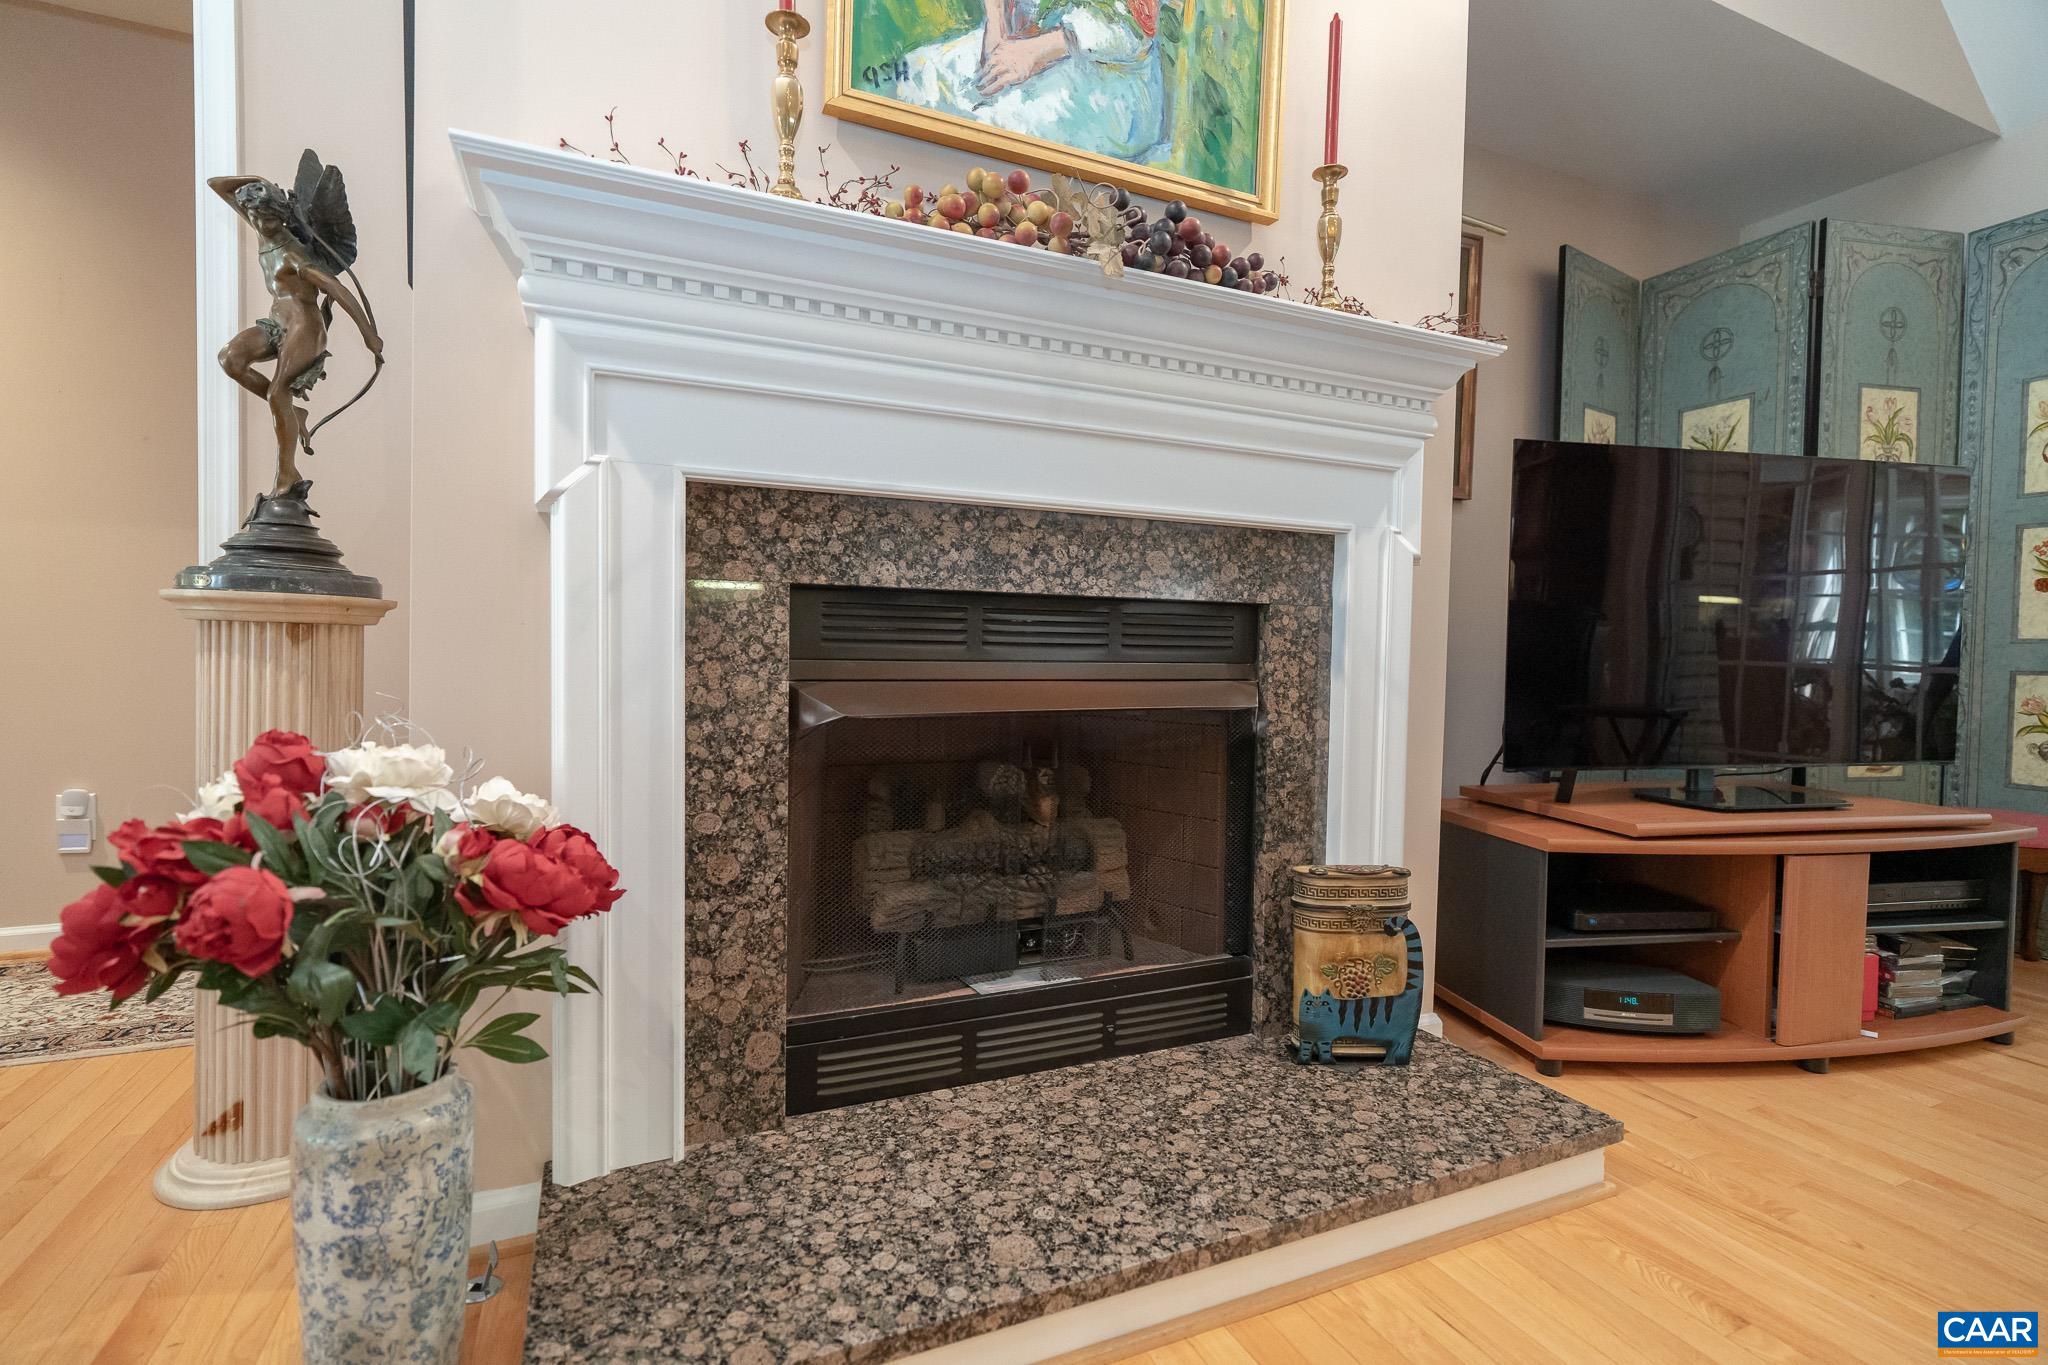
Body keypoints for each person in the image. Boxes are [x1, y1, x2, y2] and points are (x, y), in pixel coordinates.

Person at [210, 172, 381, 496]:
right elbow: (217, 185)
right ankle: (294, 412)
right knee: (230, 359)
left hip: (305, 325)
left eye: (268, 220)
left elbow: (336, 288)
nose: (261, 225)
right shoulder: (263, 229)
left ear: (281, 217)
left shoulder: (294, 255)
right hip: (275, 323)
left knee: (278, 394)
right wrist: (260, 183)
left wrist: (368, 335)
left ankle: (286, 476)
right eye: (255, 218)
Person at [895, 0, 1167, 162]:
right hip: (1024, 45)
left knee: (988, 123)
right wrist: (997, 31)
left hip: (1106, 80)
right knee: (917, 72)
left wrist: (1034, 52)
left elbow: (1130, 32)